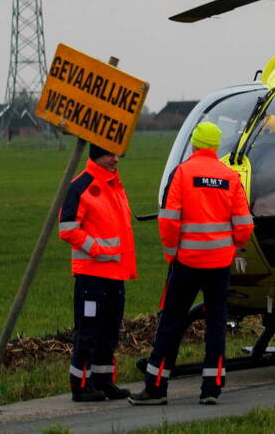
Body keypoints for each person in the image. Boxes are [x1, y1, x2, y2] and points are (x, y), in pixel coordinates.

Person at [130, 121, 254, 406]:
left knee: (171, 323)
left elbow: (169, 220)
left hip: (186, 262)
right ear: (215, 147)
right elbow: (245, 226)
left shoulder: (184, 173)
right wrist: (230, 246)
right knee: (216, 324)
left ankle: (156, 387)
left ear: (195, 144)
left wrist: (172, 253)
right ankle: (211, 387)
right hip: (220, 265)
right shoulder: (229, 176)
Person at [58, 143, 136, 402]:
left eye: (117, 155)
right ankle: (80, 386)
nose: (116, 160)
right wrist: (98, 250)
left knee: (109, 332)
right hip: (92, 275)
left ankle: (103, 381)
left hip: (115, 275)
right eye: (110, 155)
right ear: (96, 156)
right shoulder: (81, 185)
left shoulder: (114, 183)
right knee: (88, 331)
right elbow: (67, 228)